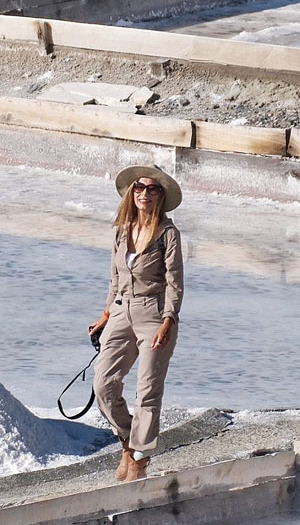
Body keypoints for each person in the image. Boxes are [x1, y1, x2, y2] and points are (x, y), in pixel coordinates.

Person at [88, 164, 184, 482]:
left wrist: (168, 320)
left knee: (148, 392)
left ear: (161, 195)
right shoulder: (121, 229)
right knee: (103, 385)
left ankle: (140, 460)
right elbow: (115, 278)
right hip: (120, 311)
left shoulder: (167, 234)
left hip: (154, 314)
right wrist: (105, 314)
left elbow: (174, 282)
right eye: (139, 188)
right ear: (132, 193)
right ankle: (129, 443)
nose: (144, 193)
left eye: (151, 189)